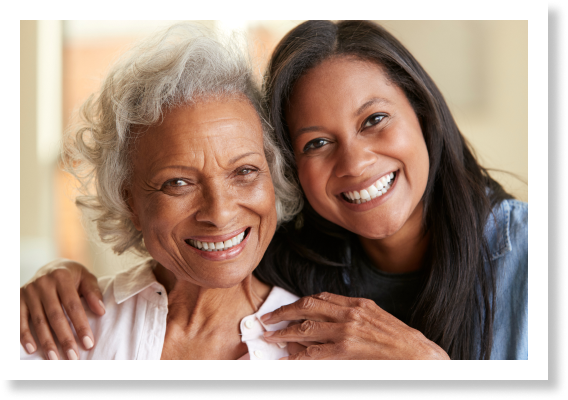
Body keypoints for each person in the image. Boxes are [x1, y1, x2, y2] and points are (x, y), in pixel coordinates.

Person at [20, 20, 527, 360]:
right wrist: (50, 276)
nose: (220, 213)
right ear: (291, 170)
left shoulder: (531, 253)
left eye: (374, 120)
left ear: (424, 112)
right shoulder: (293, 264)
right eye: (318, 142)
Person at [20, 24, 306, 360]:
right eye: (178, 183)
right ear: (130, 203)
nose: (220, 213)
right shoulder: (58, 332)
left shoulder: (325, 348)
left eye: (244, 171)